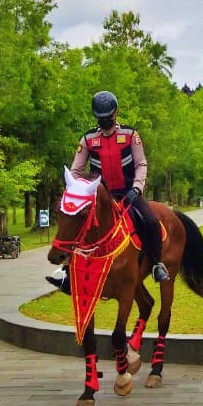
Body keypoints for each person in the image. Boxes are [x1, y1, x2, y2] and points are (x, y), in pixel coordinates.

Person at [70, 90, 168, 283]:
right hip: (101, 196)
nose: (105, 121)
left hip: (129, 193)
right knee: (74, 224)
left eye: (108, 116)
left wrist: (137, 188)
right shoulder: (88, 139)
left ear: (116, 113)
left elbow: (141, 164)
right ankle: (68, 270)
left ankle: (157, 264)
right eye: (101, 117)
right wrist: (79, 192)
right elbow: (76, 171)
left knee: (151, 221)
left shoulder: (130, 134)